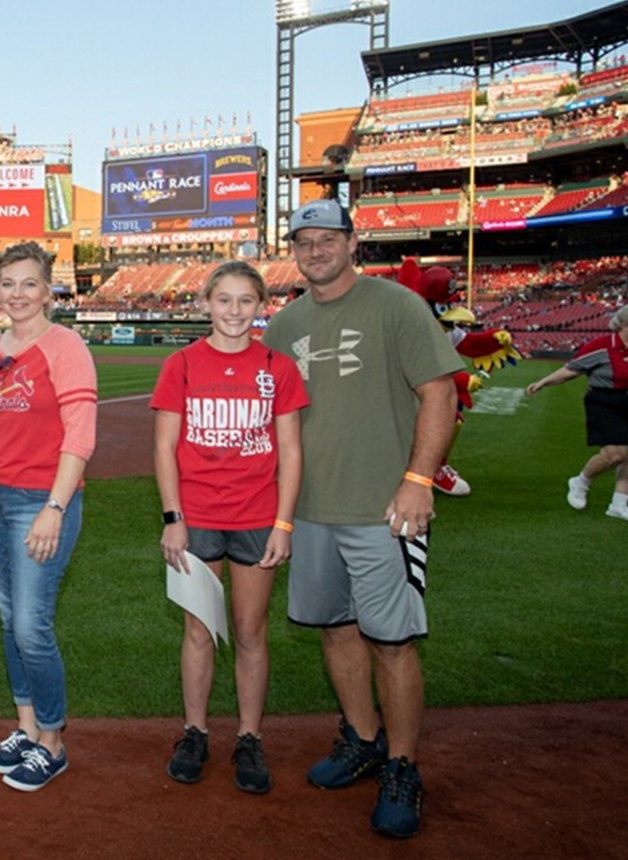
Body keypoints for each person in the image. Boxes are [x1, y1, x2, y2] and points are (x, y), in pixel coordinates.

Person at [262, 199, 461, 839]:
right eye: (303, 241)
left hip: (384, 509)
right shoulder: (283, 325)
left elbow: (441, 392)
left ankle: (403, 765)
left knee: (393, 639)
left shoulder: (396, 306)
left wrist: (418, 479)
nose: (314, 250)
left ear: (352, 242)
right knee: (335, 628)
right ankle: (364, 739)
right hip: (311, 511)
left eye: (326, 239)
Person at [151, 261, 308, 794]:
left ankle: (249, 737)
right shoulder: (183, 364)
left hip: (257, 516)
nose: (235, 311)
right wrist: (173, 517)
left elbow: (290, 450)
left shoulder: (277, 367)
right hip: (196, 518)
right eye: (224, 300)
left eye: (246, 300)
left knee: (249, 632)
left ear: (261, 306)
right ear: (206, 304)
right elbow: (164, 447)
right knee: (198, 631)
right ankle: (194, 731)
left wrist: (283, 523)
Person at [0, 243, 96, 791]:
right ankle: (27, 727)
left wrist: (54, 508)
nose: (17, 293)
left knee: (33, 626)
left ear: (49, 289)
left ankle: (53, 741)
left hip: (39, 499)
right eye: (8, 283)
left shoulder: (65, 347)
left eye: (28, 283)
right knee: (11, 618)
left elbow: (80, 436)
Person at [525, 305, 628, 520]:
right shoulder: (602, 347)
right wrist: (544, 382)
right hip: (604, 402)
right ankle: (581, 481)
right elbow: (571, 370)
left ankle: (619, 504)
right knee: (616, 453)